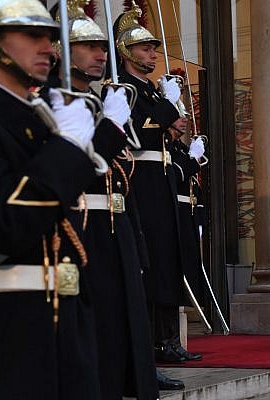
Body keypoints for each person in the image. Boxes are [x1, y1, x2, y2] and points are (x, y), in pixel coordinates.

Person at [0, 1, 102, 398]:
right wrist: (66, 149)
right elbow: (7, 219)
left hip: (59, 318)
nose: (49, 48)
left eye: (51, 37)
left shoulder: (36, 115)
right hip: (4, 327)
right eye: (33, 36)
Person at [56, 2, 162, 398]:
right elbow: (80, 166)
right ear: (65, 50)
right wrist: (113, 127)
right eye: (88, 46)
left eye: (103, 46)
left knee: (121, 331)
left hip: (115, 229)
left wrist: (135, 243)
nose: (101, 54)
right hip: (83, 230)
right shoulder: (58, 103)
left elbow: (121, 177)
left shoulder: (101, 100)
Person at [113, 2, 192, 389]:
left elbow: (173, 125)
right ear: (128, 52)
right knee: (149, 264)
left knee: (166, 260)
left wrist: (167, 110)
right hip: (141, 179)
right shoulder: (126, 90)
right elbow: (131, 132)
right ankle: (150, 350)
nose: (153, 55)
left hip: (160, 179)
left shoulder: (152, 90)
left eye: (154, 49)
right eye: (146, 49)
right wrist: (165, 119)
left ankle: (166, 340)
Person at [169, 114, 206, 359]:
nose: (183, 121)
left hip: (188, 214)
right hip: (175, 213)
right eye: (177, 117)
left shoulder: (179, 147)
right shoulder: (165, 147)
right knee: (172, 278)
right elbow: (178, 174)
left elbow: (195, 187)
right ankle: (168, 341)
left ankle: (173, 341)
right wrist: (193, 159)